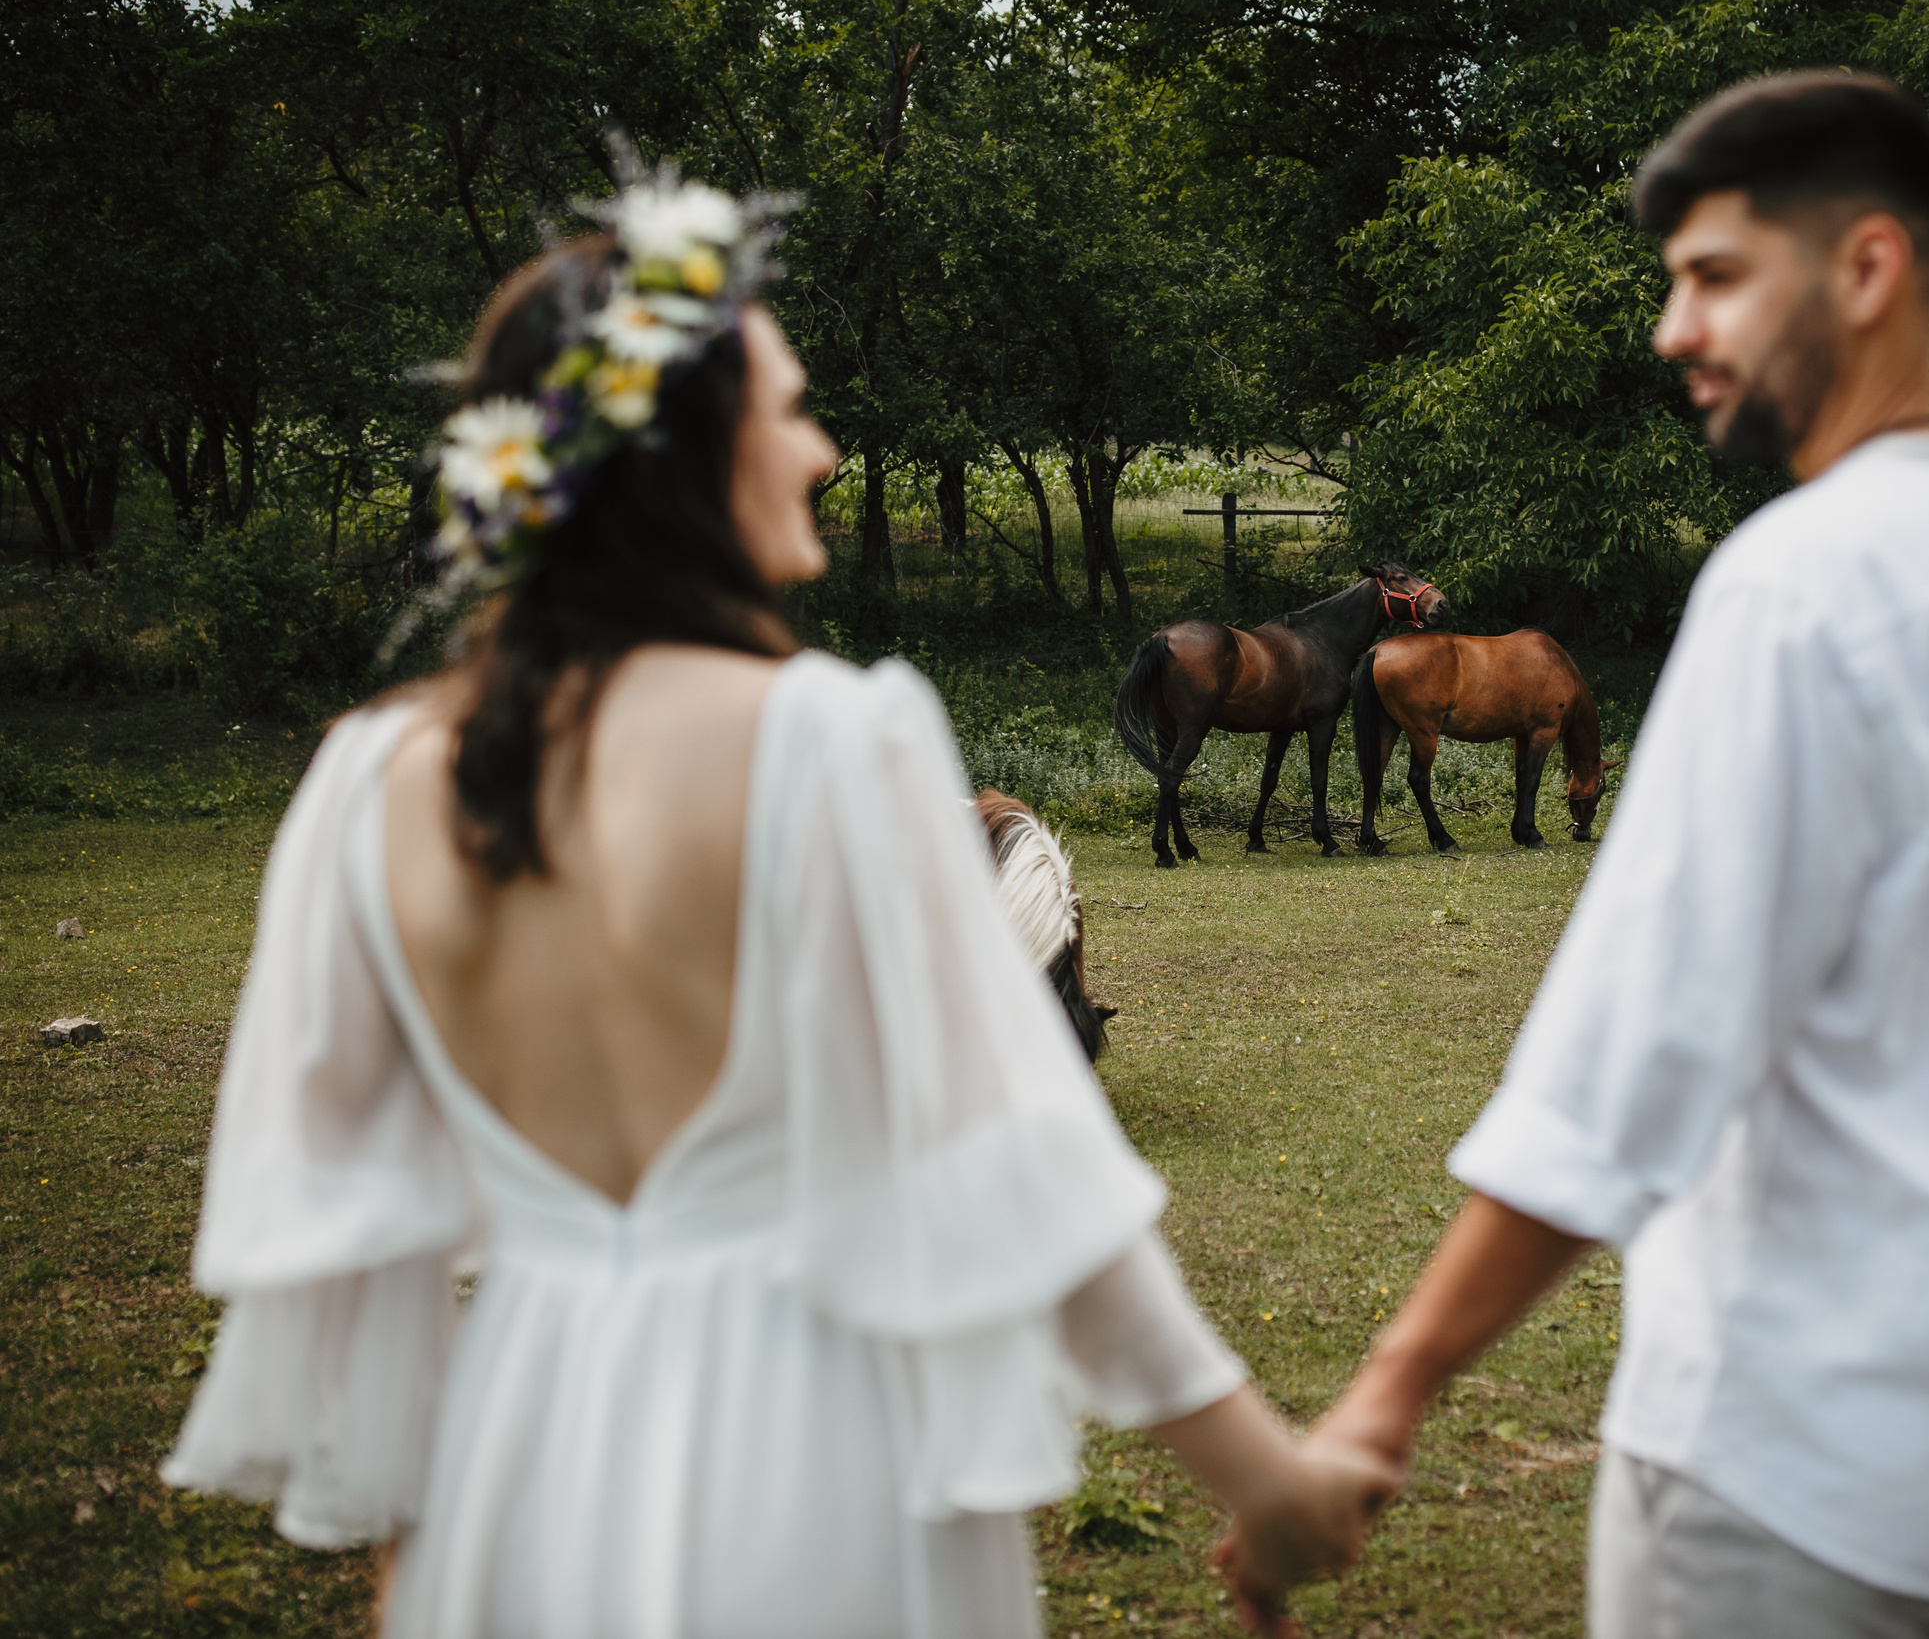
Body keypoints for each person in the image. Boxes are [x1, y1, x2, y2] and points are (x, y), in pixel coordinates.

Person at [159, 166, 1391, 1639]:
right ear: (692, 456)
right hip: (808, 1457)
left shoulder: (371, 780)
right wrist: (1270, 1481)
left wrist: (429, 1572)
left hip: (515, 1464)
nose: (818, 448)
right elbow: (1014, 1163)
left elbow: (361, 1251)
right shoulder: (833, 737)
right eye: (790, 410)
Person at [1292, 72, 1929, 1636]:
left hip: (1796, 1474)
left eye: (1713, 277)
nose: (1672, 330)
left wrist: (1391, 1386)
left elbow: (1628, 1064)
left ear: (1864, 268)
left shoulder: (1802, 586)